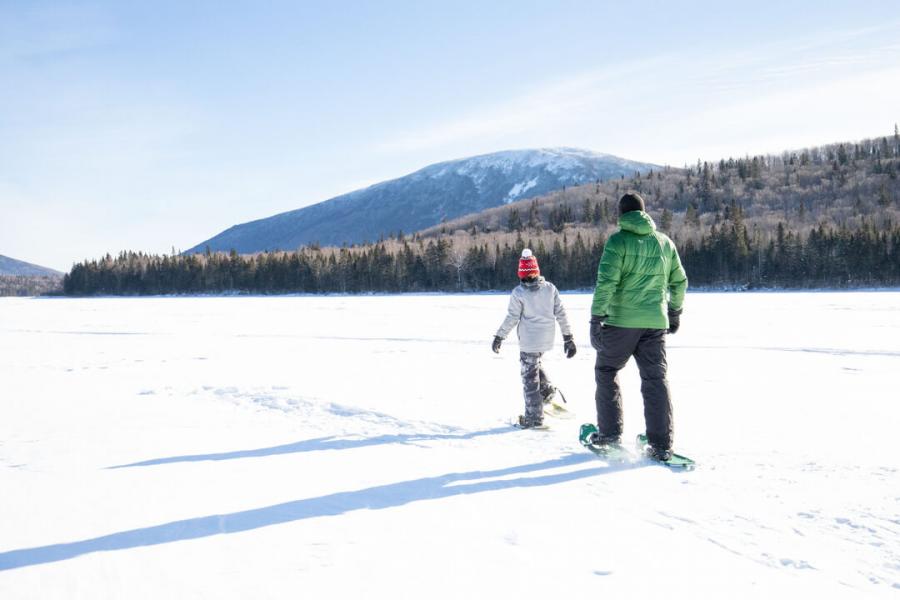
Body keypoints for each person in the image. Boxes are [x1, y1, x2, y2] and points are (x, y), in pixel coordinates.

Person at [589, 192, 688, 459]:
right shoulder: (664, 243)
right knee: (655, 380)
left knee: (607, 370)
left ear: (621, 215)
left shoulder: (617, 242)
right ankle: (661, 444)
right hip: (654, 324)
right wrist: (674, 311)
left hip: (620, 322)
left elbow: (606, 283)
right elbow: (680, 281)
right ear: (644, 213)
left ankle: (609, 435)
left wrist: (596, 318)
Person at [492, 249, 576, 428]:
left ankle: (534, 418)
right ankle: (546, 392)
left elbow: (512, 317)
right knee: (533, 364)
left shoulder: (519, 292)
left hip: (529, 341)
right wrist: (568, 337)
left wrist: (500, 336)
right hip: (546, 339)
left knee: (529, 378)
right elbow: (561, 313)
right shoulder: (550, 288)